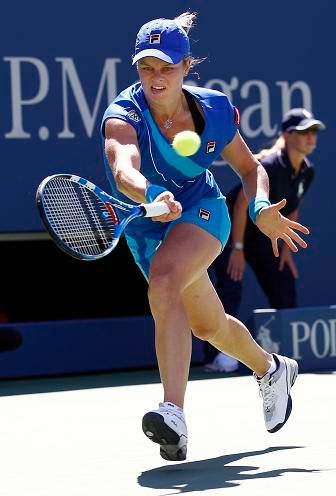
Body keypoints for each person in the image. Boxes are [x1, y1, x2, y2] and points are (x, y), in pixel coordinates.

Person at [100, 11, 310, 462]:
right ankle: (271, 368)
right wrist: (151, 192)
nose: (156, 77)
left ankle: (172, 414)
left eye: (166, 67)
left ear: (186, 66)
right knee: (207, 325)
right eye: (146, 67)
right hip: (147, 223)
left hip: (201, 209)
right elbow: (123, 169)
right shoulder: (122, 114)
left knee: (165, 280)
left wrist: (258, 209)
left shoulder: (212, 109)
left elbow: (251, 168)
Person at [204, 108, 325, 372]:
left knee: (284, 283)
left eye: (313, 132)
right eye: (303, 132)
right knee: (230, 288)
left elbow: (293, 204)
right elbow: (239, 206)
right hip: (231, 232)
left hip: (265, 233)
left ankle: (283, 354)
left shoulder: (308, 171)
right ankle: (217, 357)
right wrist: (237, 248)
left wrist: (285, 248)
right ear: (286, 135)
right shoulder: (268, 165)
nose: (310, 137)